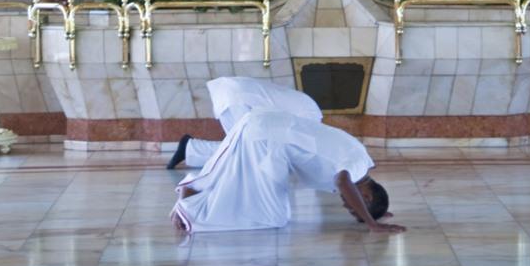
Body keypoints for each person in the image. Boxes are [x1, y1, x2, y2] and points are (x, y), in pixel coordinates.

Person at [170, 105, 403, 235]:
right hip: (267, 138)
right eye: (353, 209)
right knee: (271, 215)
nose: (346, 207)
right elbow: (343, 181)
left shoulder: (362, 158)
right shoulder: (358, 167)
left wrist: (378, 212)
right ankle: (192, 209)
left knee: (243, 189)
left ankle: (195, 192)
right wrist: (372, 224)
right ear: (366, 196)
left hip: (266, 128)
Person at [166, 74, 322, 171]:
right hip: (239, 98)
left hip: (237, 94)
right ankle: (190, 148)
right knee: (244, 150)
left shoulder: (311, 110)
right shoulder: (311, 117)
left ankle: (190, 148)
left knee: (244, 150)